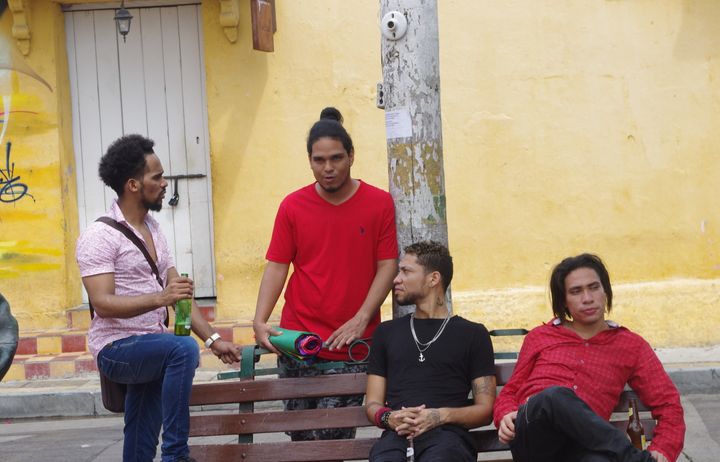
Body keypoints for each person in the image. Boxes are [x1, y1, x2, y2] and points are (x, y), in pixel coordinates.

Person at [76, 134, 242, 462]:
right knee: (181, 348)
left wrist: (213, 339)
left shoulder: (154, 229)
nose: (165, 183)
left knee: (140, 437)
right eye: (157, 177)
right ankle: (177, 454)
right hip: (116, 349)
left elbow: (177, 293)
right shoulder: (99, 235)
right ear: (133, 185)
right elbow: (103, 302)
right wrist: (160, 298)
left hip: (153, 346)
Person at [252, 107, 398, 441]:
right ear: (309, 160)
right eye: (319, 160)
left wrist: (362, 318)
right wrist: (259, 321)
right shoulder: (292, 206)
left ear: (351, 156)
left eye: (336, 158)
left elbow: (387, 265)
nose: (328, 168)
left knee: (332, 440)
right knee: (300, 437)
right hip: (297, 343)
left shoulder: (379, 203)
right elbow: (277, 265)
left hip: (350, 347)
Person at [494, 253, 685, 462]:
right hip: (535, 437)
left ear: (605, 291)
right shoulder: (540, 337)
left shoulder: (631, 345)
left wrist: (664, 449)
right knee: (555, 397)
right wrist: (504, 414)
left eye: (594, 287)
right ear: (564, 301)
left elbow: (668, 404)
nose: (587, 298)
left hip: (585, 447)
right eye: (576, 292)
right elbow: (510, 391)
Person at [365, 241, 496, 462]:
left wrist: (439, 416)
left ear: (433, 279)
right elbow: (372, 404)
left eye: (406, 271)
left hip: (448, 439)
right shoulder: (386, 332)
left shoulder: (473, 334)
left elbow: (485, 410)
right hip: (396, 438)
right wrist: (390, 418)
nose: (396, 279)